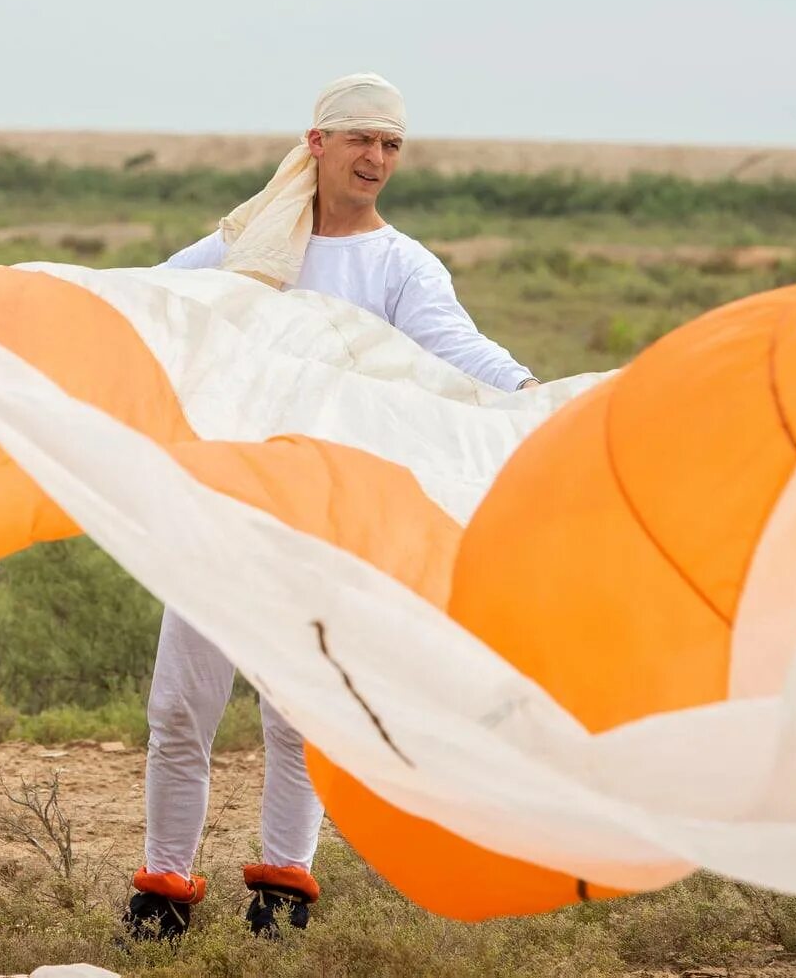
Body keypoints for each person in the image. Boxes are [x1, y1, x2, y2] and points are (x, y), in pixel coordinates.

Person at [126, 73, 537, 941]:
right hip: (223, 502)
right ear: (317, 143)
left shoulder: (400, 264)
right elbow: (147, 297)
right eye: (361, 140)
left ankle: (282, 891)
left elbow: (456, 345)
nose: (377, 159)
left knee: (297, 711)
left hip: (321, 518)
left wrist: (533, 395)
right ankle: (161, 890)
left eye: (391, 144)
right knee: (177, 708)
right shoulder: (246, 244)